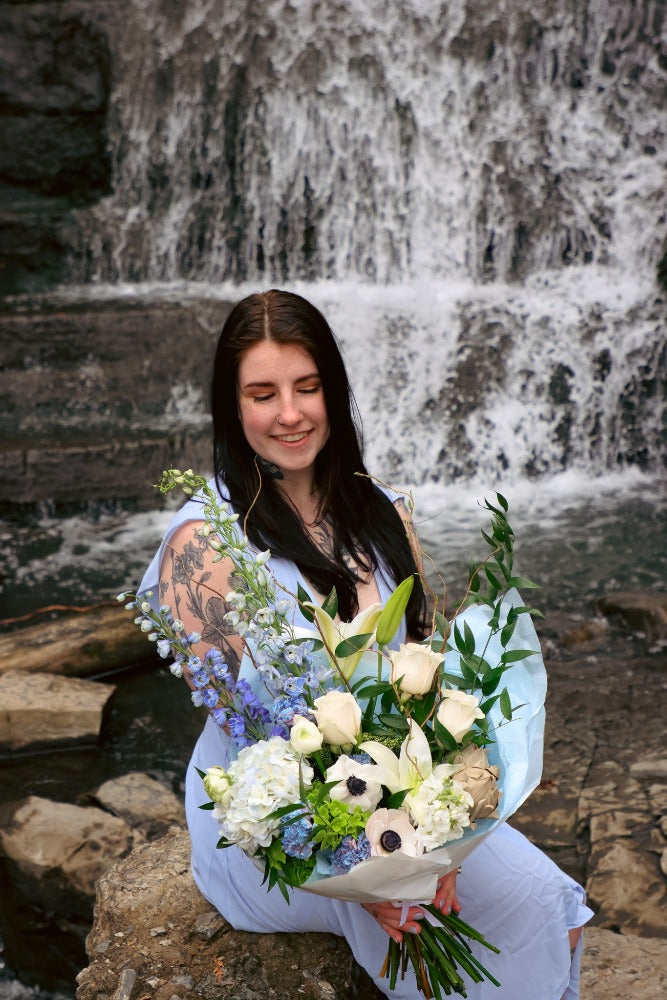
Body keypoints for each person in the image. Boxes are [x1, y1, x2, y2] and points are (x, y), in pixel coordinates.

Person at [139, 289, 592, 998]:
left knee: (556, 910)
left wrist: (439, 830)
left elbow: (431, 685)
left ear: (333, 391)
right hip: (282, 838)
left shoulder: (379, 510)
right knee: (496, 915)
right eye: (263, 393)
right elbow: (255, 749)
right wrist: (370, 876)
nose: (289, 413)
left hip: (400, 805)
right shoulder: (205, 551)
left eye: (307, 387)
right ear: (233, 408)